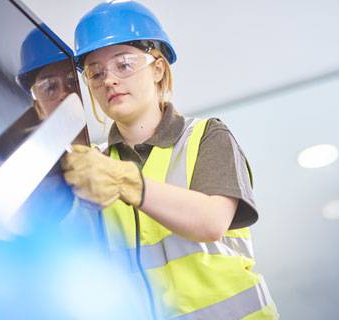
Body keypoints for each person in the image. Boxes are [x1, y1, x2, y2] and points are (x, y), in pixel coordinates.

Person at [62, 1, 279, 319]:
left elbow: (211, 221)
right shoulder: (95, 171)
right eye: (96, 73)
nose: (109, 80)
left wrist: (126, 181)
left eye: (123, 65)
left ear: (158, 69)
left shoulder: (205, 136)